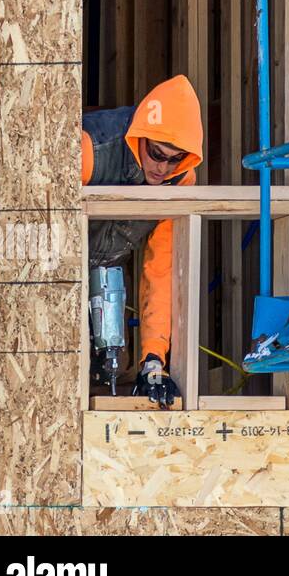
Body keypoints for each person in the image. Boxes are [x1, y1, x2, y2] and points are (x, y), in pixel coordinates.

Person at [82, 75, 203, 407]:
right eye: (157, 154)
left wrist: (153, 359)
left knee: (101, 367)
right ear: (141, 138)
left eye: (176, 158)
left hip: (102, 278)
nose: (164, 167)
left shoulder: (180, 180)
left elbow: (160, 272)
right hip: (52, 272)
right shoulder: (90, 150)